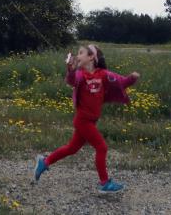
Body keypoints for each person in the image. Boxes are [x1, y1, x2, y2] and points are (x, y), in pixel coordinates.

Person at [33, 44, 140, 193]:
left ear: (91, 57)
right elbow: (71, 80)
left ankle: (44, 162)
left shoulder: (103, 74)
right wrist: (70, 69)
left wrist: (132, 78)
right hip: (83, 120)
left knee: (72, 148)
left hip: (91, 121)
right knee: (102, 147)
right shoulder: (80, 74)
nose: (78, 55)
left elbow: (121, 82)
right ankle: (104, 184)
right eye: (78, 53)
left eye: (81, 53)